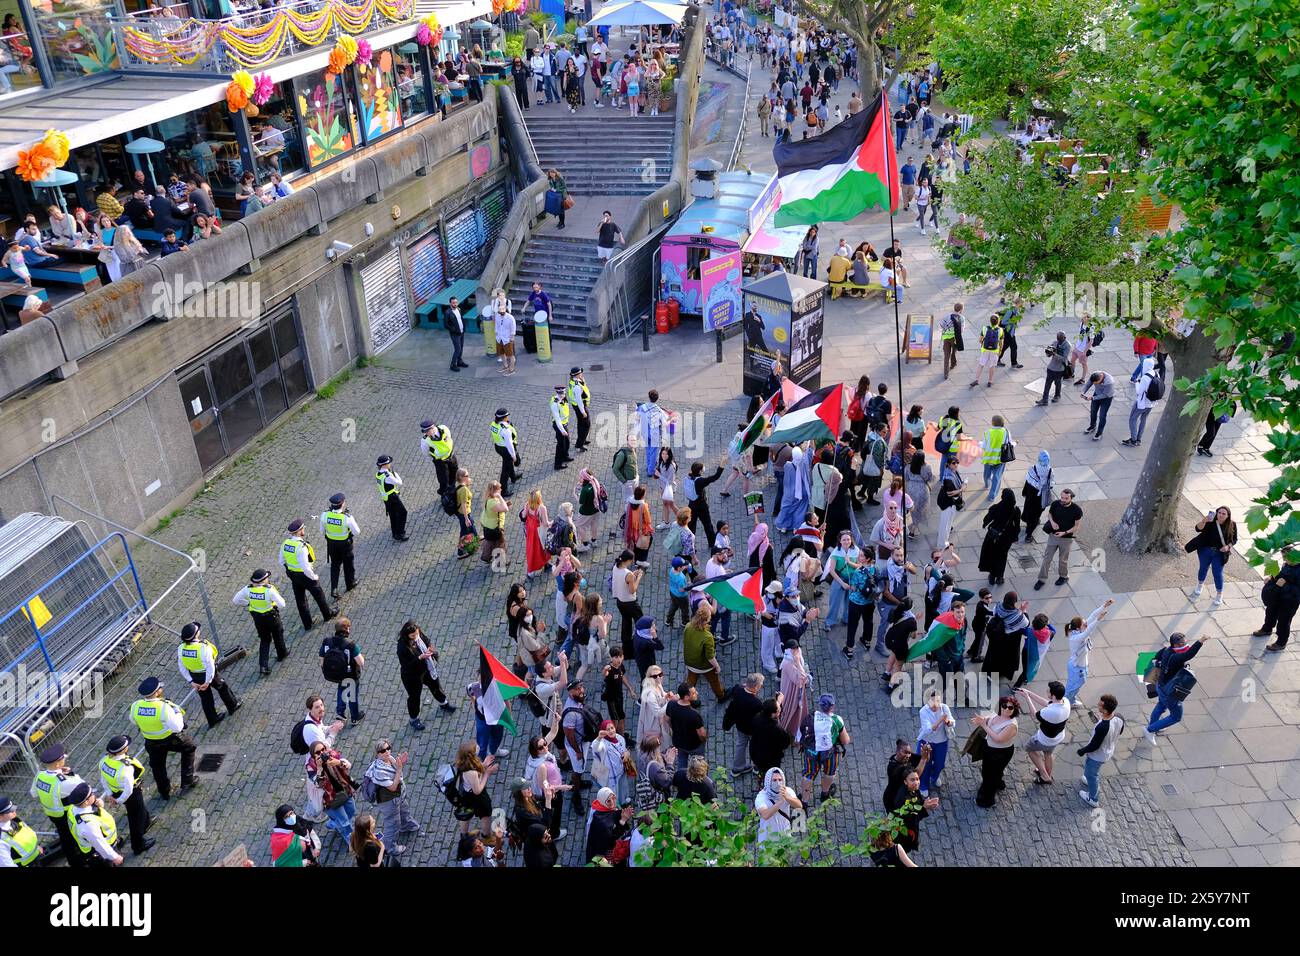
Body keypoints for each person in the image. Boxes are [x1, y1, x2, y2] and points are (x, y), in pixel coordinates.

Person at [1144, 631, 1210, 744]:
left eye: (1185, 643)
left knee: (1161, 706)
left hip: (1161, 685)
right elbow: (1189, 654)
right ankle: (1149, 730)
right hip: (1169, 690)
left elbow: (1156, 658)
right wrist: (1201, 641)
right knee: (1176, 716)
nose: (1184, 646)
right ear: (1174, 645)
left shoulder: (1166, 650)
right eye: (1180, 645)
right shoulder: (1175, 657)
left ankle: (1154, 726)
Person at [31, 743, 88, 867]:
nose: (65, 759)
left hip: (52, 815)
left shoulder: (39, 776)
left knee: (65, 838)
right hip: (66, 815)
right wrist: (71, 774)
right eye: (63, 758)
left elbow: (33, 793)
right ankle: (82, 859)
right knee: (76, 836)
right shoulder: (63, 782)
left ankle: (73, 862)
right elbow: (84, 787)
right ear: (57, 763)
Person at [176, 620, 239, 728]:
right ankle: (232, 705)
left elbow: (182, 667)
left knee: (206, 699)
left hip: (195, 677)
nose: (199, 630)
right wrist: (208, 681)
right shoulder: (203, 648)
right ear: (196, 635)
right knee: (223, 687)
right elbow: (210, 667)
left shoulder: (181, 648)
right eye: (198, 630)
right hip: (209, 675)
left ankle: (212, 720)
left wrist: (191, 681)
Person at [363, 739, 422, 855]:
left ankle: (407, 825)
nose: (387, 751)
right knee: (392, 824)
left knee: (404, 810)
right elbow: (393, 786)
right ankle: (390, 847)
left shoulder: (390, 759)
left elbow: (395, 774)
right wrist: (400, 768)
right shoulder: (379, 770)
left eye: (388, 748)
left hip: (398, 796)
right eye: (382, 750)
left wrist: (401, 764)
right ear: (377, 753)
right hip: (389, 801)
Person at [397, 620, 456, 731]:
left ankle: (443, 703)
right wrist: (420, 657)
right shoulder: (402, 647)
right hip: (412, 676)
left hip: (426, 668)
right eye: (412, 636)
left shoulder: (419, 635)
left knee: (435, 686)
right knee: (414, 697)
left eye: (416, 634)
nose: (415, 637)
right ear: (407, 635)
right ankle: (413, 719)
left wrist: (429, 648)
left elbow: (426, 641)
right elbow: (406, 666)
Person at [280, 518, 336, 631]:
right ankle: (327, 614)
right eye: (303, 528)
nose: (304, 530)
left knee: (300, 601)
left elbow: (281, 561)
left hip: (294, 576)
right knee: (319, 595)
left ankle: (307, 624)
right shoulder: (301, 547)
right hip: (305, 576)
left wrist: (290, 570)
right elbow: (305, 567)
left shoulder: (285, 544)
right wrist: (314, 577)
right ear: (299, 531)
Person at [799, 693, 849, 804]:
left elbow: (801, 734)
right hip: (829, 754)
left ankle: (804, 801)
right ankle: (825, 793)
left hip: (811, 752)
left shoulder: (810, 717)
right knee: (829, 772)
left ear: (820, 705)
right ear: (832, 706)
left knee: (808, 774)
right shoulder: (837, 720)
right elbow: (846, 741)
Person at [1063, 599, 1115, 705]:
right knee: (1072, 688)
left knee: (1075, 686)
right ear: (1078, 627)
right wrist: (1098, 620)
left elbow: (1092, 616)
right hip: (1077, 668)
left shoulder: (1078, 630)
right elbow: (1088, 631)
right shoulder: (1076, 638)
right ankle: (1066, 703)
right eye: (1084, 624)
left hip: (1080, 666)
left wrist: (1104, 605)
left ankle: (1070, 700)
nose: (1086, 623)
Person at [1018, 681, 1070, 785]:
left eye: (1048, 691)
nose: (1046, 691)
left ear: (1053, 695)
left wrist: (1027, 698)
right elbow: (1047, 703)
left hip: (1044, 739)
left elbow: (1035, 715)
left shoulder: (1050, 712)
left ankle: (1045, 776)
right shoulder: (1065, 702)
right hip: (1057, 737)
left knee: (1029, 749)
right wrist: (1029, 693)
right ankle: (1048, 773)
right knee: (1048, 754)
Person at [973, 695, 1020, 808]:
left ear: (1015, 709)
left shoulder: (1011, 725)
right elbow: (990, 716)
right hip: (989, 748)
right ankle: (998, 783)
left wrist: (984, 725)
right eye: (1004, 706)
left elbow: (998, 739)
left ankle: (988, 800)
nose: (1006, 709)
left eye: (1010, 707)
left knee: (989, 775)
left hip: (999, 753)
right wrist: (984, 719)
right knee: (990, 772)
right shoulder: (998, 713)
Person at [1078, 694, 1124, 807]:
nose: (1098, 704)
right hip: (1108, 750)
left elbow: (1094, 745)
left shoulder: (1102, 727)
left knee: (1091, 774)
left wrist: (1082, 750)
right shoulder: (1119, 717)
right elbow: (1120, 731)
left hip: (1097, 755)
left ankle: (1093, 798)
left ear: (1105, 709)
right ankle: (1089, 779)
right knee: (1091, 771)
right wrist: (1100, 720)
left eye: (1100, 704)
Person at [307, 739, 357, 840]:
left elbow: (348, 765)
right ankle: (351, 842)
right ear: (313, 756)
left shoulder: (332, 755)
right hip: (329, 799)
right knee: (345, 823)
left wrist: (338, 762)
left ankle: (333, 822)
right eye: (318, 752)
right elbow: (318, 784)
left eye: (323, 750)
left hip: (344, 790)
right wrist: (320, 768)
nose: (322, 753)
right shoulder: (311, 767)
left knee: (351, 811)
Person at [1034, 488, 1083, 590]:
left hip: (1066, 539)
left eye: (1066, 498)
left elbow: (1077, 526)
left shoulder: (1077, 510)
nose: (1063, 500)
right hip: (1053, 536)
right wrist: (1052, 522)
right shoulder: (1056, 504)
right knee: (1047, 559)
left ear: (1071, 498)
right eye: (1062, 497)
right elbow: (1050, 514)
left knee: (1062, 560)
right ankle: (1041, 579)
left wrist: (1064, 533)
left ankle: (1063, 576)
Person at [1188, 505, 1237, 607]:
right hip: (1205, 550)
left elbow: (1234, 540)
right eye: (1219, 513)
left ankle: (1219, 594)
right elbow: (1197, 529)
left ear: (1228, 516)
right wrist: (1204, 521)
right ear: (1216, 513)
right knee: (1203, 568)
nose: (1221, 515)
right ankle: (1200, 585)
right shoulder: (1210, 521)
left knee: (1217, 572)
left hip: (1219, 553)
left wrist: (1228, 547)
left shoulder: (1232, 525)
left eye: (1224, 514)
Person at [885, 765, 940, 854]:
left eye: (917, 779)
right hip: (902, 830)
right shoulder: (903, 799)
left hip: (906, 827)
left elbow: (918, 799)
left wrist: (925, 803)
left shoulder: (913, 789)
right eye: (912, 780)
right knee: (902, 849)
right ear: (905, 782)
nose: (916, 782)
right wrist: (924, 808)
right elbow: (910, 820)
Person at [64, 782, 122, 867]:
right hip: (100, 854)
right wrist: (114, 857)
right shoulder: (88, 824)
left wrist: (98, 806)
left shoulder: (73, 808)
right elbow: (99, 843)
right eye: (91, 794)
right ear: (86, 802)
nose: (94, 794)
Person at [1254, 550, 1300, 652]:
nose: (1284, 559)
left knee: (1284, 621)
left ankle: (1281, 642)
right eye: (1283, 557)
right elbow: (1280, 576)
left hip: (1290, 601)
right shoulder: (1287, 565)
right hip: (1278, 596)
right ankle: (1267, 628)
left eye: (1286, 557)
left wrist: (1285, 585)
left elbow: (1297, 591)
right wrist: (1271, 578)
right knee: (1270, 612)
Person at [683, 602, 725, 701]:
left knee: (691, 681)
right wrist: (717, 666)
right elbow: (710, 656)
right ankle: (721, 696)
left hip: (690, 662)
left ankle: (687, 699)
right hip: (704, 666)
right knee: (714, 681)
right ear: (706, 620)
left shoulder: (688, 626)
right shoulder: (707, 636)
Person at [978, 489, 1021, 586]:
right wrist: (1015, 537)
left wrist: (985, 524)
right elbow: (1017, 526)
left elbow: (987, 519)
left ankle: (992, 576)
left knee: (992, 555)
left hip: (993, 536)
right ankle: (1000, 577)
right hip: (1006, 537)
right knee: (1002, 557)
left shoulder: (997, 507)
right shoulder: (1015, 510)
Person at [917, 690, 954, 795]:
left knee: (940, 764)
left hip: (941, 742)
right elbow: (929, 729)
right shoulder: (923, 711)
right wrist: (940, 720)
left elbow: (952, 722)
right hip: (926, 741)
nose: (936, 704)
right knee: (925, 764)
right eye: (933, 701)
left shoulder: (945, 708)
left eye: (938, 700)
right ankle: (923, 785)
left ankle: (934, 776)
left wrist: (948, 722)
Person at [584, 787, 633, 865]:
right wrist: (623, 820)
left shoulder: (600, 807)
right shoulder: (603, 823)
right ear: (603, 802)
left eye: (614, 798)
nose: (613, 802)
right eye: (608, 801)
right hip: (605, 852)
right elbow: (612, 839)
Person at [755, 767, 803, 844]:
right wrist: (780, 802)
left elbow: (799, 806)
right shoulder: (761, 797)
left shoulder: (788, 791)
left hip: (784, 832)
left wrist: (787, 797)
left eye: (780, 780)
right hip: (767, 836)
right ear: (768, 781)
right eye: (774, 780)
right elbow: (765, 815)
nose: (778, 783)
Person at [667, 681, 707, 768]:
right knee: (699, 766)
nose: (697, 693)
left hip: (678, 742)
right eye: (693, 693)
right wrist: (704, 741)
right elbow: (701, 734)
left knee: (681, 763)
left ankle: (682, 778)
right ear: (686, 697)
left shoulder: (671, 705)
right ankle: (700, 779)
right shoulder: (694, 715)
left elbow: (668, 721)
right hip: (694, 746)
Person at [1122, 356, 1161, 446]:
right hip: (1151, 403)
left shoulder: (1145, 378)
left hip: (1142, 403)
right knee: (1143, 419)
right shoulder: (1156, 374)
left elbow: (1139, 391)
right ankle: (1138, 439)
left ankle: (1133, 439)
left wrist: (1136, 383)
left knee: (1133, 418)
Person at [373, 454, 408, 542]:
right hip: (393, 498)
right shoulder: (388, 475)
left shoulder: (378, 474)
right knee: (403, 513)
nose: (390, 464)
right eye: (389, 463)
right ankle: (400, 533)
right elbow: (400, 483)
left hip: (386, 499)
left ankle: (395, 533)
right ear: (385, 465)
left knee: (393, 516)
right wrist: (395, 474)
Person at [1021, 451, 1053, 544]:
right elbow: (1051, 484)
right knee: (1037, 513)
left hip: (1031, 494)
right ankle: (1029, 535)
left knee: (1028, 509)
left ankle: (1028, 521)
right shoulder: (1050, 470)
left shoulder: (1033, 468)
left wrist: (1025, 492)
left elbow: (1028, 481)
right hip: (1042, 496)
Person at [479, 479, 510, 572]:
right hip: (494, 528)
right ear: (495, 491)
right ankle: (500, 562)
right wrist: (500, 496)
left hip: (487, 526)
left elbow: (500, 508)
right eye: (499, 489)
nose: (501, 490)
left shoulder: (489, 498)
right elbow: (505, 509)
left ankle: (485, 556)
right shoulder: (493, 501)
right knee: (500, 545)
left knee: (489, 542)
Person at [979, 415, 1012, 502]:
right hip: (1000, 460)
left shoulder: (988, 432)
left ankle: (986, 484)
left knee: (986, 474)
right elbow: (1009, 444)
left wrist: (979, 443)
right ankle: (992, 496)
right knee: (997, 478)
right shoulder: (1006, 432)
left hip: (989, 459)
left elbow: (984, 446)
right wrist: (1015, 443)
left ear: (993, 423)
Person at [935, 455, 964, 550]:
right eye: (953, 463)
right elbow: (951, 493)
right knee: (945, 524)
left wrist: (961, 488)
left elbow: (960, 484)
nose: (956, 465)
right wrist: (962, 489)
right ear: (948, 464)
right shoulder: (948, 478)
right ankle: (941, 544)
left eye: (957, 463)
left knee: (948, 522)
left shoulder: (953, 472)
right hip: (947, 503)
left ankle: (945, 539)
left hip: (950, 503)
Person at [490, 408, 521, 497]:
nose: (508, 417)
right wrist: (513, 455)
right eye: (507, 416)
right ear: (504, 417)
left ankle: (513, 477)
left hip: (498, 447)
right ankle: (503, 491)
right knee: (505, 470)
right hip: (506, 449)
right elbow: (509, 444)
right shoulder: (505, 429)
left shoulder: (493, 424)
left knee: (508, 464)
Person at [1036, 331, 1071, 406]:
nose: (1059, 341)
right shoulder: (1055, 342)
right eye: (1058, 339)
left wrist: (1055, 354)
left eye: (1060, 339)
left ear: (1064, 338)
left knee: (1057, 383)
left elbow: (1064, 359)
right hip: (1051, 367)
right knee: (1047, 384)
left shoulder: (1067, 346)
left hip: (1059, 369)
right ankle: (1044, 399)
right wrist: (1048, 353)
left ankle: (1057, 395)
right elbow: (1048, 355)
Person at [970, 313, 1004, 388]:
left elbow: (980, 339)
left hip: (985, 349)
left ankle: (977, 379)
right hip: (995, 350)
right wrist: (1000, 351)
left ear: (990, 321)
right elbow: (1001, 342)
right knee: (992, 366)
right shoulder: (1000, 330)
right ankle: (990, 381)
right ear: (998, 321)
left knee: (981, 364)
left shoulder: (984, 328)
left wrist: (983, 344)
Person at [445, 295, 469, 371]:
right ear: (450, 304)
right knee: (457, 349)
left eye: (456, 302)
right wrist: (454, 330)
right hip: (455, 334)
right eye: (453, 303)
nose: (455, 304)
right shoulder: (448, 312)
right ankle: (452, 365)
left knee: (461, 347)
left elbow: (460, 319)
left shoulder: (458, 309)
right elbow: (446, 325)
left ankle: (459, 361)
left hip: (461, 332)